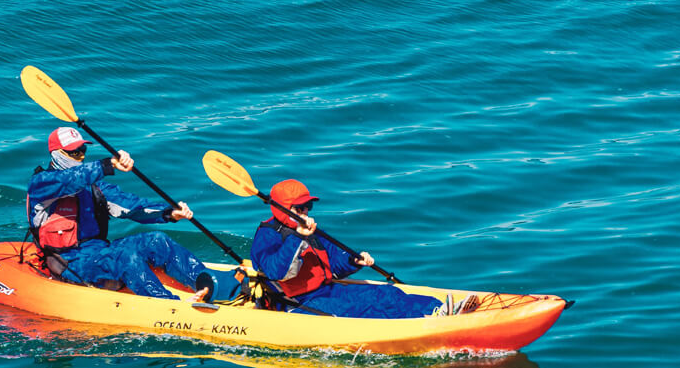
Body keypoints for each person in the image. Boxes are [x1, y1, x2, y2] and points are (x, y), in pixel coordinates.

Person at [28, 127, 222, 301]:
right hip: (69, 263)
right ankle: (166, 304)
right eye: (74, 152)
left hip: (97, 252)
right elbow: (68, 180)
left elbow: (133, 206)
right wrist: (108, 165)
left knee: (157, 240)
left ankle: (210, 284)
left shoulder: (95, 187)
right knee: (125, 256)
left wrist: (169, 213)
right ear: (56, 154)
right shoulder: (42, 185)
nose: (80, 157)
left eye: (82, 151)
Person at [249, 179, 451, 318]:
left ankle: (438, 308)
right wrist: (298, 237)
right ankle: (427, 322)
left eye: (307, 207)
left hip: (327, 290)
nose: (305, 212)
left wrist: (352, 261)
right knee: (369, 310)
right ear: (282, 209)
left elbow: (333, 264)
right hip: (296, 303)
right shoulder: (267, 235)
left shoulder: (310, 229)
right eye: (298, 208)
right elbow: (276, 272)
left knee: (387, 294)